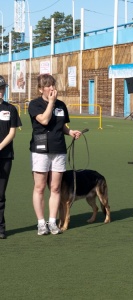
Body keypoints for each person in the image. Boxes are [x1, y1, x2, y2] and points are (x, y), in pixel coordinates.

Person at [28, 74, 81, 236]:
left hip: (58, 149)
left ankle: (52, 221)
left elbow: (62, 125)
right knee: (40, 187)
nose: (52, 88)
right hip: (40, 150)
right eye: (48, 86)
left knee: (56, 188)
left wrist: (70, 132)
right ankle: (41, 223)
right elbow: (44, 120)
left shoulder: (61, 105)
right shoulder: (35, 104)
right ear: (40, 89)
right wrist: (50, 103)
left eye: (53, 85)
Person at [0, 76, 22, 239]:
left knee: (0, 194)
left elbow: (12, 132)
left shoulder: (11, 109)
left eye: (2, 88)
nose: (1, 91)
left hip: (5, 156)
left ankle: (0, 228)